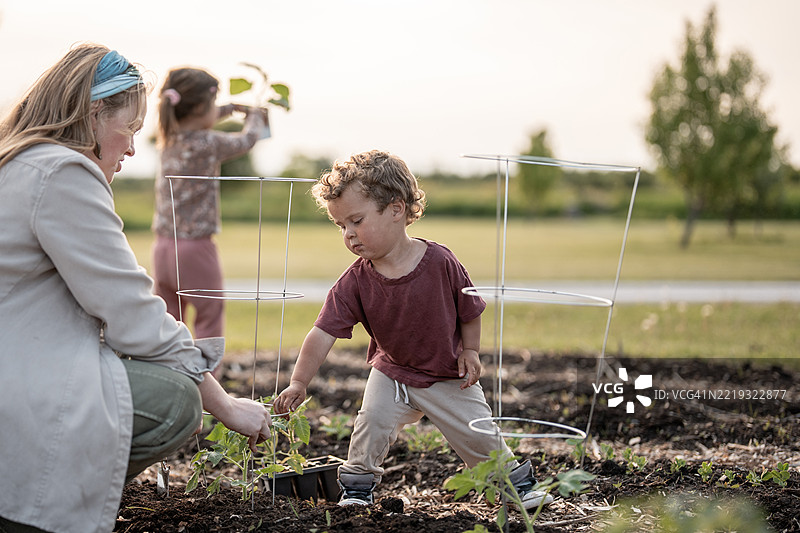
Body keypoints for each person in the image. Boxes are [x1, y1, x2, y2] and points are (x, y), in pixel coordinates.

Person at [0, 44, 271, 533]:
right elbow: (134, 318)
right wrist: (227, 406)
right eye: (127, 129)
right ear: (92, 113)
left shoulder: (20, 163)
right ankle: (39, 508)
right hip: (18, 383)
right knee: (175, 401)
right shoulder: (63, 174)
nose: (130, 147)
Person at [273, 150, 553, 510]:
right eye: (341, 226)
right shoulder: (355, 281)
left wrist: (470, 351)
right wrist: (299, 382)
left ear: (396, 208)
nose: (349, 234)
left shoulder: (440, 262)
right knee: (370, 424)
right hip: (391, 374)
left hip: (446, 374)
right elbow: (322, 332)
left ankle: (517, 487)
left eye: (356, 220)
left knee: (477, 433)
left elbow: (470, 309)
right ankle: (358, 489)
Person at [151, 67, 270, 367]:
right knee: (209, 318)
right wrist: (255, 116)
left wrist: (228, 109)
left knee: (169, 321)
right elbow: (247, 140)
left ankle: (170, 378)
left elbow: (200, 120)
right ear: (202, 107)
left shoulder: (169, 135)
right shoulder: (208, 143)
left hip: (163, 246)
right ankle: (208, 393)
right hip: (195, 249)